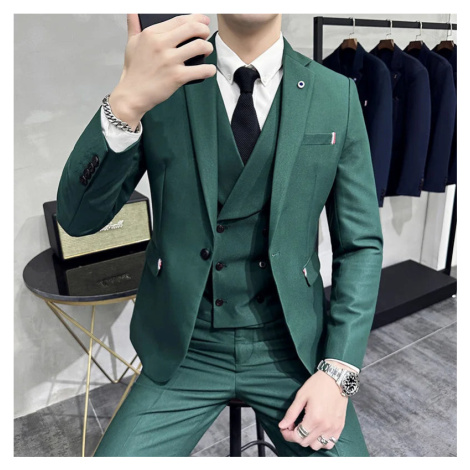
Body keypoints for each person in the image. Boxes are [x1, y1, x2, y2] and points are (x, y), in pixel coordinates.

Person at [56, 13, 384, 457]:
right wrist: (126, 102)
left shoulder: (335, 94)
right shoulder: (166, 81)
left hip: (291, 347)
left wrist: (339, 373)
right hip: (184, 347)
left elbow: (360, 245)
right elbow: (78, 220)